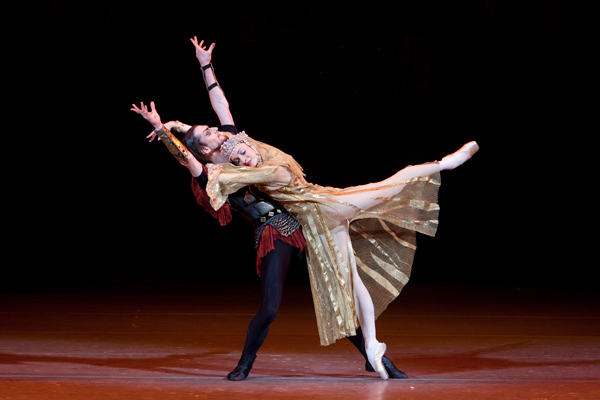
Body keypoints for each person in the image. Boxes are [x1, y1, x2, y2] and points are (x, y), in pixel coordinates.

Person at [131, 38, 408, 380]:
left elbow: (221, 104)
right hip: (275, 232)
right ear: (205, 149)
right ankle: (245, 362)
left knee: (336, 291)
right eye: (207, 132)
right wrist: (162, 129)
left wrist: (205, 66)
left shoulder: (235, 143)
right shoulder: (210, 174)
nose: (214, 129)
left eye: (210, 128)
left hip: (303, 220)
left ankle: (371, 354)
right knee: (271, 307)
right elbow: (186, 156)